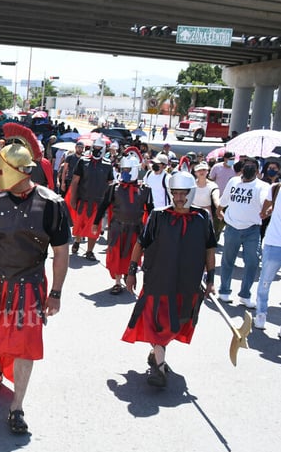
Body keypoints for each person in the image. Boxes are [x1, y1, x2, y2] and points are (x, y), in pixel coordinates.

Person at [0, 124, 70, 434]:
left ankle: (17, 406)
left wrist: (56, 292)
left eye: (1, 169)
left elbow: (61, 253)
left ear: (19, 171)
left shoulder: (52, 205)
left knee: (24, 344)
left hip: (28, 284)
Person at [123, 172, 217, 387]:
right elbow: (141, 243)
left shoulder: (202, 218)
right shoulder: (158, 215)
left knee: (175, 324)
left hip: (187, 283)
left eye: (184, 194)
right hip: (158, 281)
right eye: (175, 193)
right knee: (157, 322)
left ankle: (157, 354)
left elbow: (209, 248)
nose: (179, 198)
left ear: (191, 193)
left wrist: (210, 278)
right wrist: (131, 271)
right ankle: (159, 368)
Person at [94, 154, 152, 294]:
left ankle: (129, 274)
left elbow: (151, 211)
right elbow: (103, 205)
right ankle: (117, 282)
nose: (124, 172)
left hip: (136, 228)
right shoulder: (114, 187)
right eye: (123, 169)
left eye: (127, 169)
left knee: (133, 254)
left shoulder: (145, 189)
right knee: (116, 254)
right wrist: (96, 222)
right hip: (117, 227)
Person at [217, 155, 269, 307]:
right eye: (243, 176)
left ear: (257, 173)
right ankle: (224, 290)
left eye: (248, 177)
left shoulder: (262, 186)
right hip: (232, 227)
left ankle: (245, 294)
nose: (244, 180)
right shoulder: (234, 181)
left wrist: (266, 212)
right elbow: (224, 200)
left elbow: (265, 204)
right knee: (227, 260)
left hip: (252, 230)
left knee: (252, 262)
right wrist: (220, 210)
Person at [68, 137, 113, 260]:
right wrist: (73, 198)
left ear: (103, 149)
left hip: (98, 203)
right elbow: (75, 180)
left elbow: (110, 183)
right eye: (95, 148)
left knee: (95, 227)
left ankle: (89, 251)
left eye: (100, 148)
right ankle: (77, 241)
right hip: (82, 200)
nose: (97, 150)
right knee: (79, 225)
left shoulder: (108, 165)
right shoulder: (83, 161)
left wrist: (109, 201)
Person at [255, 180, 281, 333]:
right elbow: (265, 211)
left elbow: (264, 212)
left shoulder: (276, 188)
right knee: (265, 280)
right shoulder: (276, 188)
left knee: (265, 281)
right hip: (274, 241)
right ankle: (260, 314)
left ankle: (260, 314)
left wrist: (270, 211)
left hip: (274, 241)